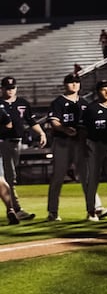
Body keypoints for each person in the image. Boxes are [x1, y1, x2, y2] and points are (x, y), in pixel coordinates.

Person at [0, 76, 45, 223]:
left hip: (15, 143)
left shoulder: (22, 103)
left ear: (16, 88)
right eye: (7, 88)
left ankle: (14, 209)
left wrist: (41, 132)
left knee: (8, 176)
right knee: (8, 177)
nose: (10, 91)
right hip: (2, 142)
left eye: (12, 88)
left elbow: (31, 120)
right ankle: (16, 209)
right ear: (2, 89)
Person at [47, 73, 88, 221]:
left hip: (80, 142)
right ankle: (53, 211)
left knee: (86, 176)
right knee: (58, 176)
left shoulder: (84, 102)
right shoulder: (58, 102)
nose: (74, 84)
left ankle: (95, 208)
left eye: (77, 82)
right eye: (71, 82)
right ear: (65, 85)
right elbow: (54, 122)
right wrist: (65, 129)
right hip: (62, 142)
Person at [80, 80, 107, 221]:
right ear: (98, 92)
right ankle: (91, 210)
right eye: (103, 89)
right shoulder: (91, 109)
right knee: (93, 179)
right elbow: (83, 130)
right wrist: (84, 146)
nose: (106, 92)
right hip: (95, 146)